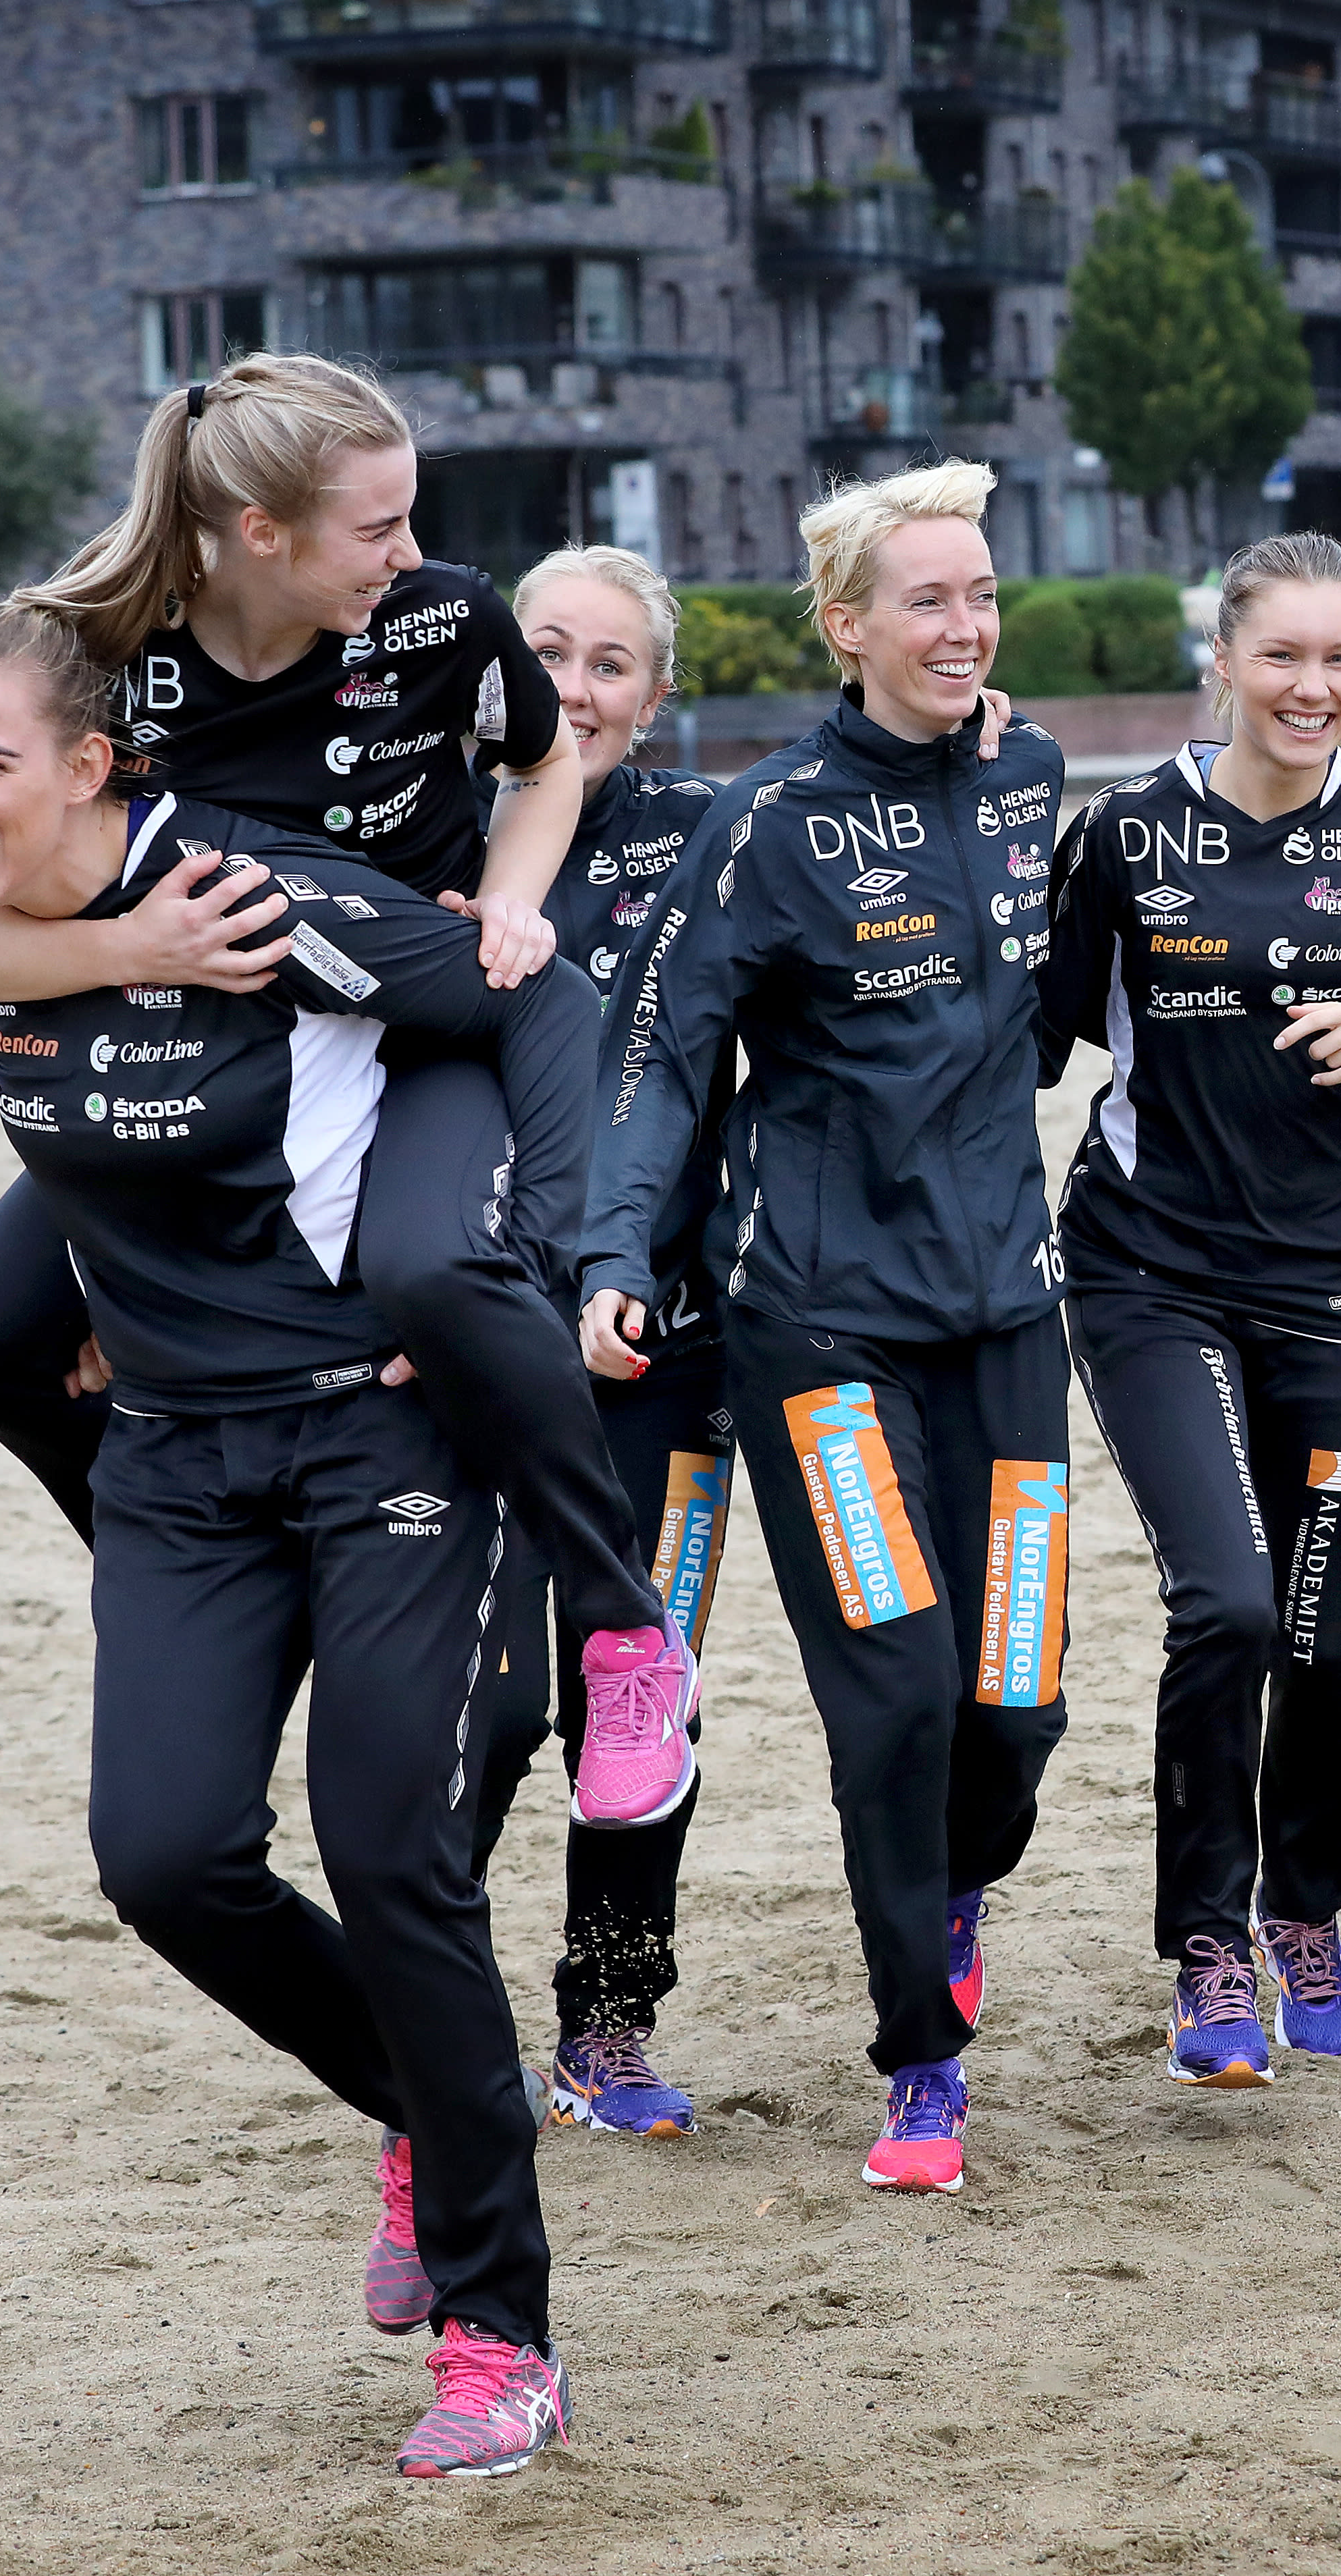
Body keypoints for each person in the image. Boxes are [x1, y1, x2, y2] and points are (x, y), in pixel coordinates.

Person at [0, 597, 588, 2476]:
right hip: (178, 1464)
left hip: (382, 1437)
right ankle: (432, 2096)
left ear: (91, 763)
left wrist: (520, 1257)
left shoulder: (252, 895)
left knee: (391, 1854)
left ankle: (500, 2334)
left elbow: (527, 1001)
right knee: (165, 1857)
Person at [0, 354, 692, 1831]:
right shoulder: (100, 647)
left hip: (420, 1023)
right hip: (207, 1059)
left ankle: (623, 1627)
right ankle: (195, 1575)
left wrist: (511, 904)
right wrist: (128, 948)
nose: (413, 552)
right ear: (259, 530)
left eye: (410, 518)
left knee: (432, 1271)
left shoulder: (444, 618)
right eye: (377, 526)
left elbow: (541, 768)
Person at [578, 462, 1076, 2193]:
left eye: (982, 594)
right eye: (928, 600)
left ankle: (956, 1882)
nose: (965, 626)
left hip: (1008, 1320)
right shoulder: (767, 824)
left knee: (1014, 1702)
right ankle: (922, 2063)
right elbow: (661, 1060)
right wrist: (614, 1252)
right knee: (898, 1694)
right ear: (846, 624)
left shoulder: (1030, 774)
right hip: (823, 1337)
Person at [1043, 533, 1341, 2083]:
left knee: (1318, 1625)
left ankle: (1303, 1911)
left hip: (1331, 1283)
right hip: (1149, 1271)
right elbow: (1028, 1034)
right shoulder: (1123, 835)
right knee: (1228, 1601)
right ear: (1225, 663)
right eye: (1284, 655)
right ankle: (1208, 1949)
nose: (1313, 686)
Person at [461, 545, 737, 2139]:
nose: (571, 684)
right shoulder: (432, 829)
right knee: (483, 1701)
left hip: (663, 1351)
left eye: (609, 660)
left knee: (643, 1692)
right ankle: (438, 2017)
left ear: (656, 691)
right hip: (464, 1344)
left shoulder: (708, 831)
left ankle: (609, 2023)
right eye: (545, 648)